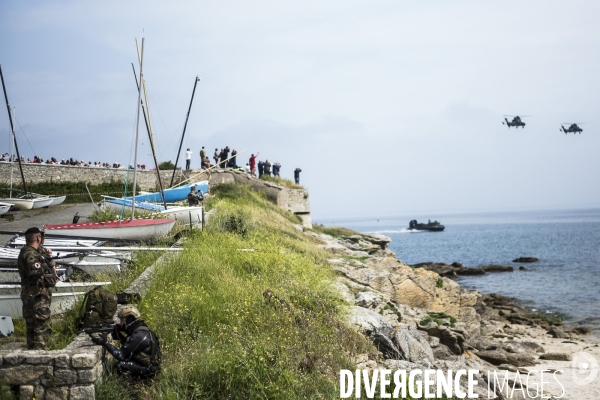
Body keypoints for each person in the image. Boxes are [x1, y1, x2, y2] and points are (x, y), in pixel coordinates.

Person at [90, 306, 161, 379]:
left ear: (129, 320)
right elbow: (132, 346)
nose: (120, 324)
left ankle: (131, 388)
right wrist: (120, 335)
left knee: (120, 365)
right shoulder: (142, 328)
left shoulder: (138, 335)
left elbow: (121, 355)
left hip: (149, 369)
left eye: (122, 320)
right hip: (151, 365)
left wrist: (105, 343)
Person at [17, 227, 59, 350]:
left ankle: (31, 355)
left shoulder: (27, 251)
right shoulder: (31, 255)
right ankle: (41, 355)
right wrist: (51, 276)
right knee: (42, 326)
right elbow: (36, 274)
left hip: (29, 295)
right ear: (38, 238)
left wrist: (47, 256)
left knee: (31, 327)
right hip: (37, 296)